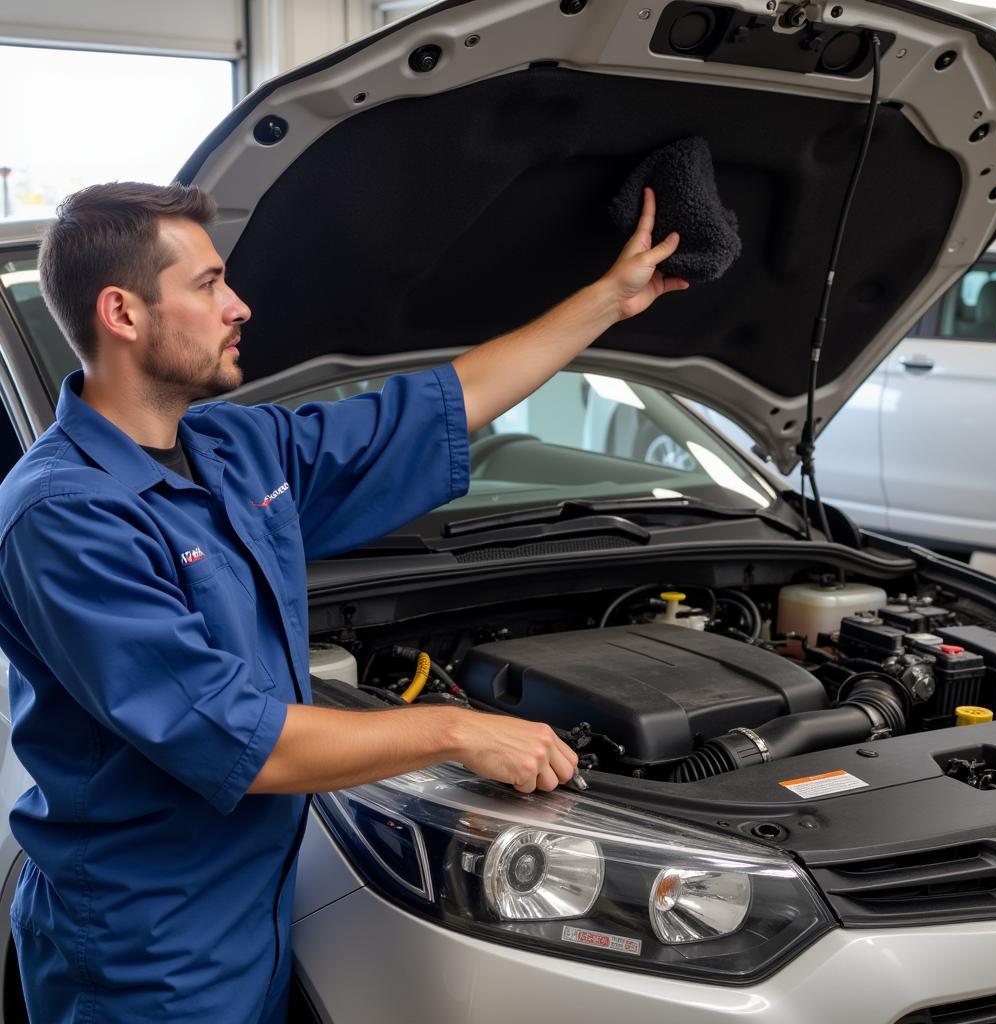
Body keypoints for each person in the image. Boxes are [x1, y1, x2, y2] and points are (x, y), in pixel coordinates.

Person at [0, 180, 687, 1022]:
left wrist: (606, 304)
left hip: (250, 914)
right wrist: (456, 730)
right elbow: (238, 742)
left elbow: (436, 407)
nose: (239, 306)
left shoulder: (234, 448)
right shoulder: (65, 517)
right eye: (210, 284)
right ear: (123, 312)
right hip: (146, 947)